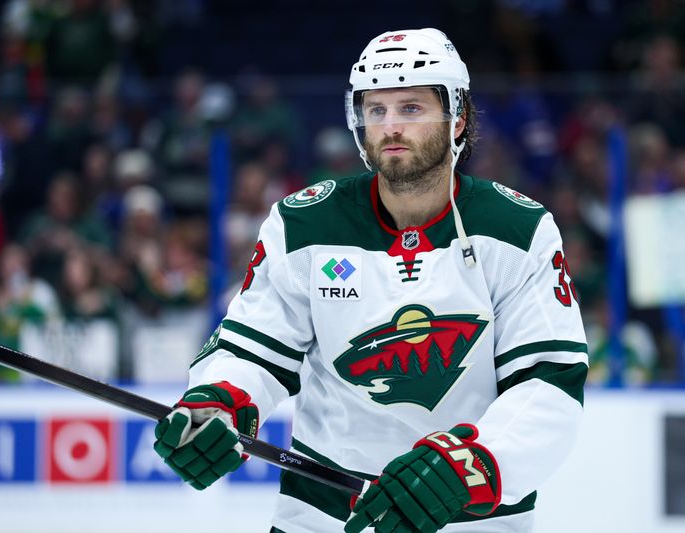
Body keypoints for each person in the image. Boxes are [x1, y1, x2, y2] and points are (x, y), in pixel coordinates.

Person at [153, 28, 588, 533]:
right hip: (321, 515)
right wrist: (218, 400)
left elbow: (548, 384)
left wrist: (468, 466)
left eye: (411, 108)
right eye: (376, 110)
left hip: (470, 519)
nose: (390, 127)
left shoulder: (518, 230)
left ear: (459, 116)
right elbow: (253, 350)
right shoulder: (306, 223)